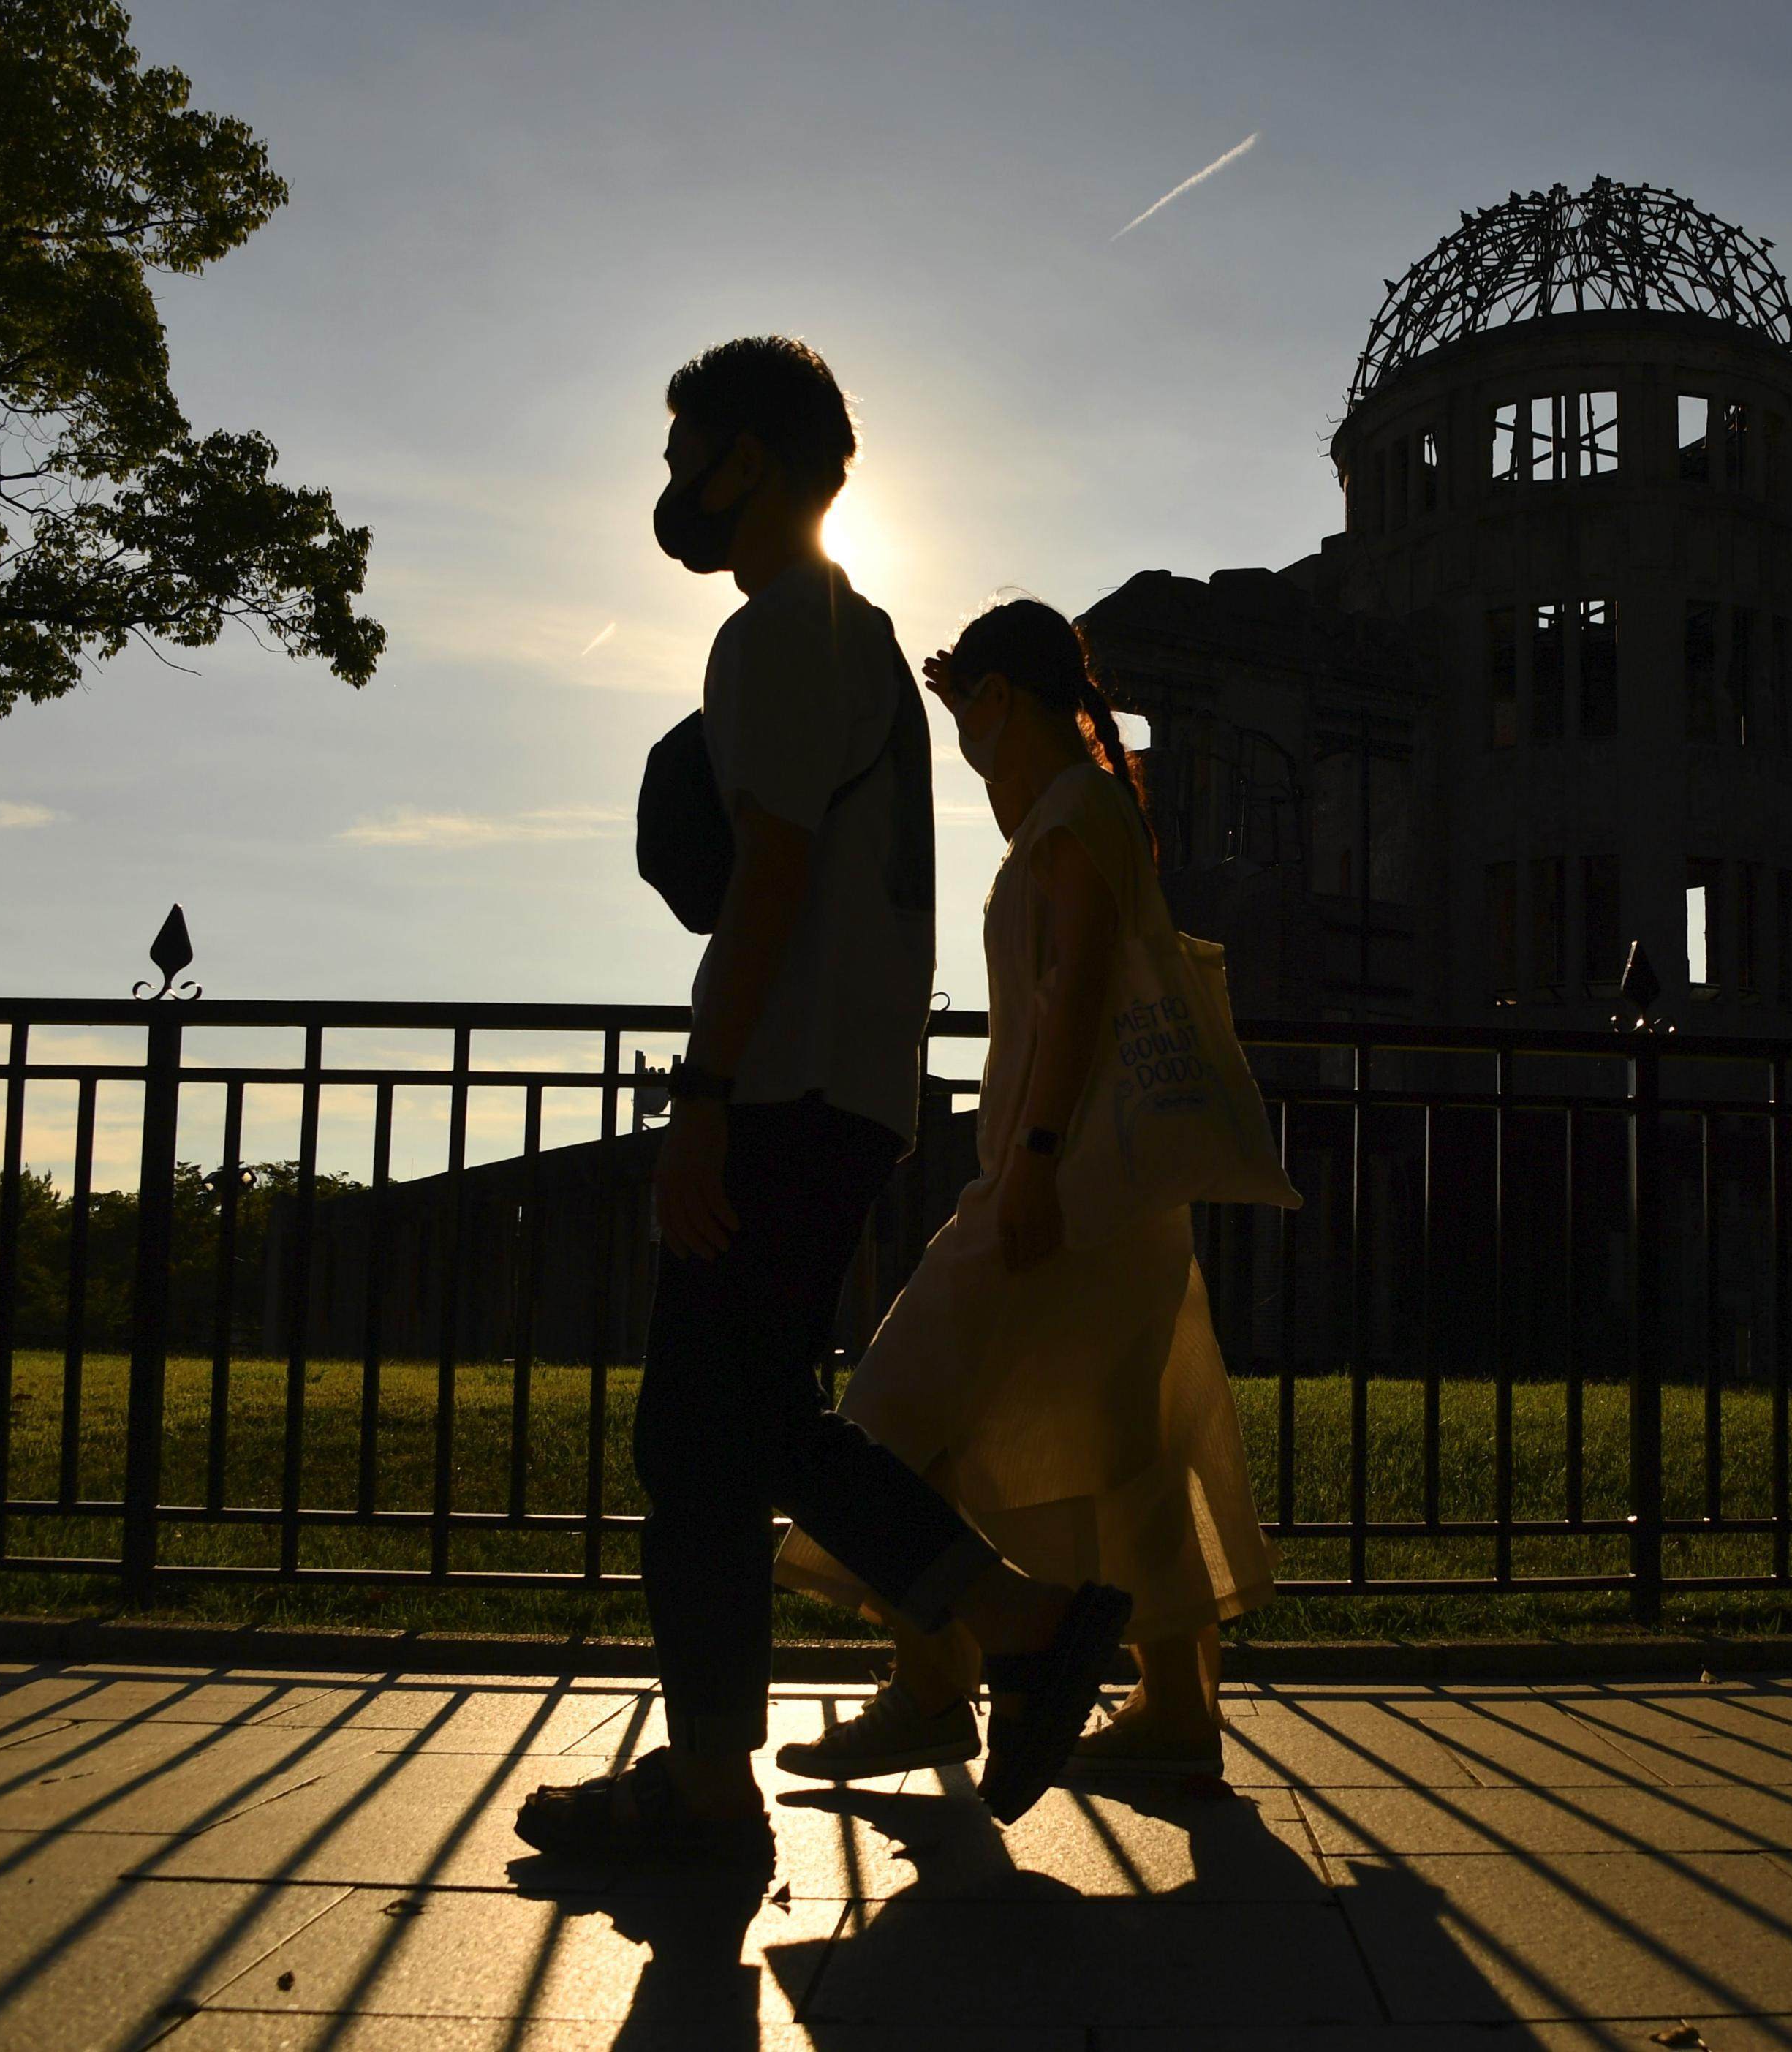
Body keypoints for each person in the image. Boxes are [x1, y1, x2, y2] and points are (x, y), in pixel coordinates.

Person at [514, 341, 1129, 1865]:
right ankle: (960, 1650)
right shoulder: (860, 635)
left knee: (699, 1427)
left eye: (690, 447)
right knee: (740, 1426)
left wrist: (703, 1095)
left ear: (755, 463)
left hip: (780, 1086)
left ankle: (993, 1640)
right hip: (851, 1087)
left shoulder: (780, 631)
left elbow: (770, 883)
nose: (673, 480)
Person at [771, 597, 1274, 1782]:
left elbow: (1082, 989)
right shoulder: (1080, 807)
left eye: (972, 708)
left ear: (1002, 698)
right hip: (1098, 1188)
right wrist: (990, 720)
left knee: (891, 1416)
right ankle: (1169, 1711)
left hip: (1056, 1184)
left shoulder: (1073, 815)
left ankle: (940, 1679)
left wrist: (1037, 1157)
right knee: (1127, 1441)